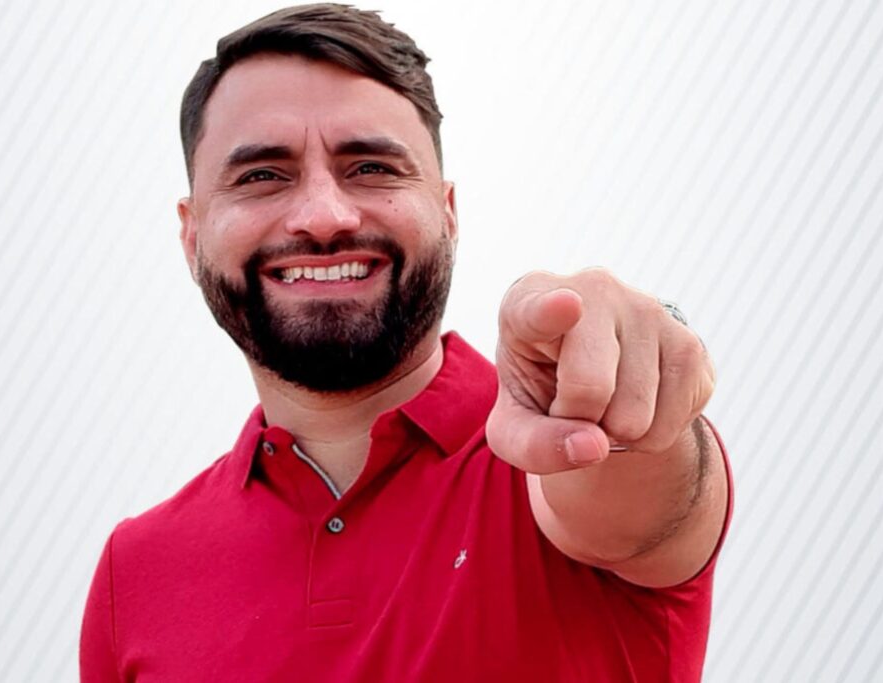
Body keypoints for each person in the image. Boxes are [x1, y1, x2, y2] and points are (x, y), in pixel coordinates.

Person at [80, 4, 732, 681]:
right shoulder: (135, 571)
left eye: (371, 167)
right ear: (192, 236)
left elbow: (639, 487)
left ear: (448, 213)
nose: (324, 217)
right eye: (261, 175)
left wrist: (625, 385)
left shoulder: (549, 448)